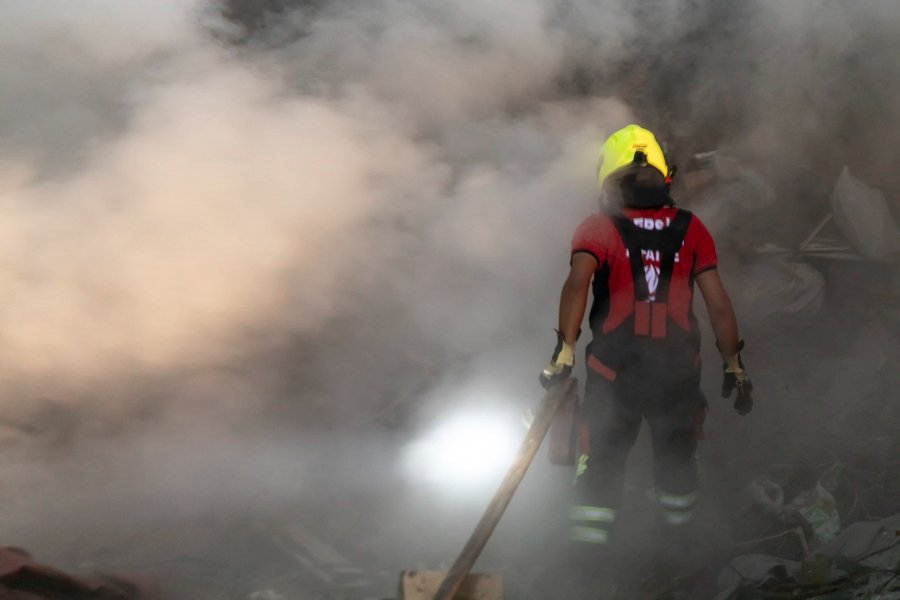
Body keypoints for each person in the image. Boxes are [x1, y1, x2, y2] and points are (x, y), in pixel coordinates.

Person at [539, 124, 753, 593]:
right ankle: (680, 561)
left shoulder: (597, 228)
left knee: (601, 467)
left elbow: (577, 286)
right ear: (665, 177)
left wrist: (564, 352)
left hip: (612, 375)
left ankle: (588, 574)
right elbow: (718, 304)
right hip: (676, 376)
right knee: (676, 466)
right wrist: (734, 366)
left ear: (608, 180)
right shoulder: (691, 228)